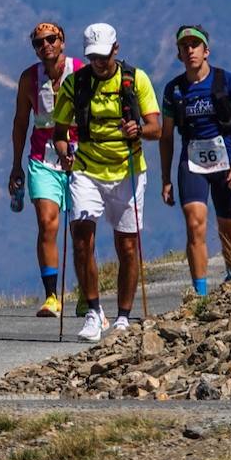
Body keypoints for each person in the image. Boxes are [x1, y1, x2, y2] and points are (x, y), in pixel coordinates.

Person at [50, 23, 161, 341]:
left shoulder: (135, 79)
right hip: (86, 170)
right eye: (93, 56)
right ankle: (94, 313)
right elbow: (59, 133)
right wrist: (64, 153)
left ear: (116, 48)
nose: (99, 61)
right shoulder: (75, 84)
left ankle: (124, 316)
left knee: (127, 246)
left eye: (103, 54)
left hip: (128, 170)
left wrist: (138, 130)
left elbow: (157, 128)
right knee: (82, 240)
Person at [158, 24, 231, 296]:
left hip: (227, 163)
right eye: (185, 46)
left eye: (195, 45)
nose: (190, 50)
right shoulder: (174, 90)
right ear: (179, 54)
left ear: (206, 51)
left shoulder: (226, 81)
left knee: (230, 228)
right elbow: (166, 137)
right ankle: (200, 293)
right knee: (195, 223)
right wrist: (165, 179)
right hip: (192, 164)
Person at [8, 22, 83, 317]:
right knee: (48, 223)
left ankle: (87, 292)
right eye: (39, 43)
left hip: (79, 157)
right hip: (42, 158)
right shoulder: (29, 79)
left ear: (62, 42)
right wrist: (16, 166)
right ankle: (52, 295)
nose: (46, 46)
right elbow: (20, 122)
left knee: (80, 228)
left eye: (51, 39)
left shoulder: (80, 72)